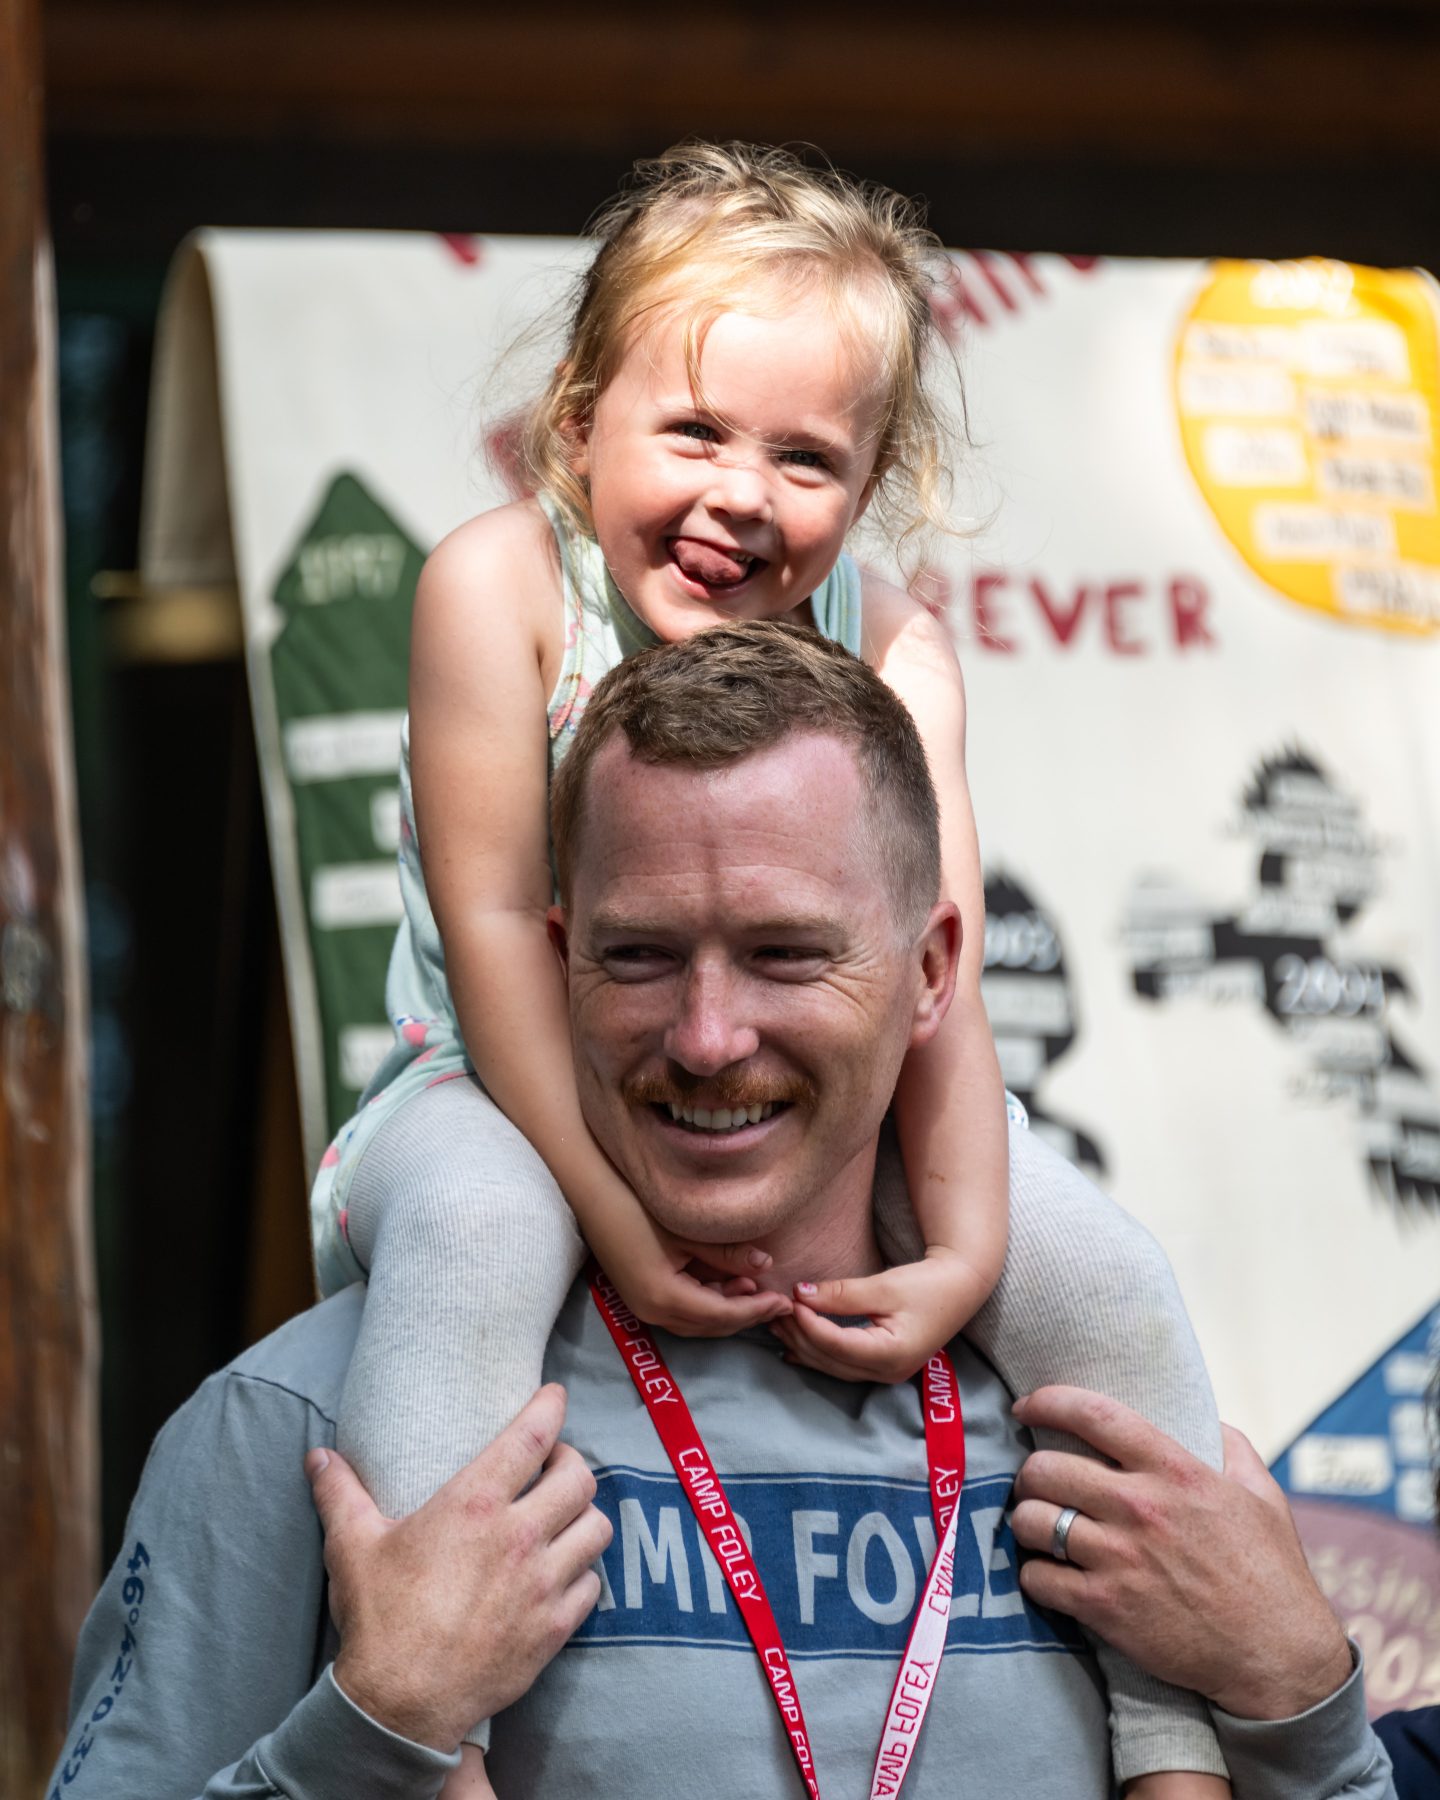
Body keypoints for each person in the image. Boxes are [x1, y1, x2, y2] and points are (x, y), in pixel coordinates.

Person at [52, 625, 1394, 1798]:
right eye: (638, 956)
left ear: (932, 971)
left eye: (783, 954)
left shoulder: (1107, 1449)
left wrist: (1297, 1690)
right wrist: (378, 1727)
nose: (706, 1037)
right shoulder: (310, 1431)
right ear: (560, 960)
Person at [307, 141, 1225, 1792]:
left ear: (872, 487)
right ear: (579, 422)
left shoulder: (888, 642)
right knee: (473, 1231)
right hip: (498, 1075)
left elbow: (931, 975)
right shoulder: (497, 587)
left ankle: (1179, 1742)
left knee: (1100, 1273)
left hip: (798, 1102)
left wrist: (965, 1252)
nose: (745, 493)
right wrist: (608, 1212)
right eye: (697, 431)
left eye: (808, 457)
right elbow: (513, 929)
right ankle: (430, 1736)